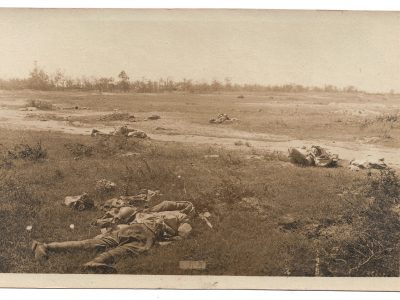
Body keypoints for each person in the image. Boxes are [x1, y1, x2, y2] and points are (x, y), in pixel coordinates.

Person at [32, 201, 195, 273]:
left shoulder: (152, 212)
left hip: (127, 229)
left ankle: (46, 246)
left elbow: (165, 203)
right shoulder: (182, 218)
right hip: (146, 232)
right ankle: (96, 262)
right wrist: (165, 241)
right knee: (129, 249)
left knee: (91, 243)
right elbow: (183, 235)